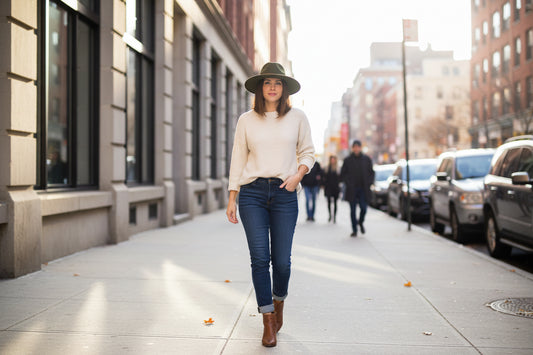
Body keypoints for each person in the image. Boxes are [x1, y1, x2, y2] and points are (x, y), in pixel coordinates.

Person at [226, 62, 315, 347]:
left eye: (278, 83)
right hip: (251, 194)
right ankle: (267, 319)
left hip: (284, 194)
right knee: (260, 259)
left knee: (283, 263)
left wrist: (297, 175)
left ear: (284, 89)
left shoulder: (298, 117)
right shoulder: (246, 120)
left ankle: (279, 303)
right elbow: (238, 158)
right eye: (267, 83)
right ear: (260, 88)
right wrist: (232, 196)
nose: (273, 87)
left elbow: (308, 152)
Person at [340, 140, 374, 237]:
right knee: (353, 210)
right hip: (352, 190)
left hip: (363, 189)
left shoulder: (366, 159)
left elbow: (371, 173)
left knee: (364, 208)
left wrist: (369, 183)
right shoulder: (347, 160)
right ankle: (354, 229)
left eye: (358, 147)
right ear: (352, 148)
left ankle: (360, 222)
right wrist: (348, 183)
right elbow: (343, 174)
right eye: (354, 147)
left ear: (360, 148)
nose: (356, 149)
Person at [323, 155, 340, 223]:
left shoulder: (338, 169)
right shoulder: (327, 168)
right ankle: (330, 215)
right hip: (328, 188)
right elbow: (324, 178)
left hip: (335, 188)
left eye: (334, 159)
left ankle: (334, 217)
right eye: (331, 159)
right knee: (329, 203)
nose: (332, 161)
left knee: (335, 203)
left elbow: (340, 178)